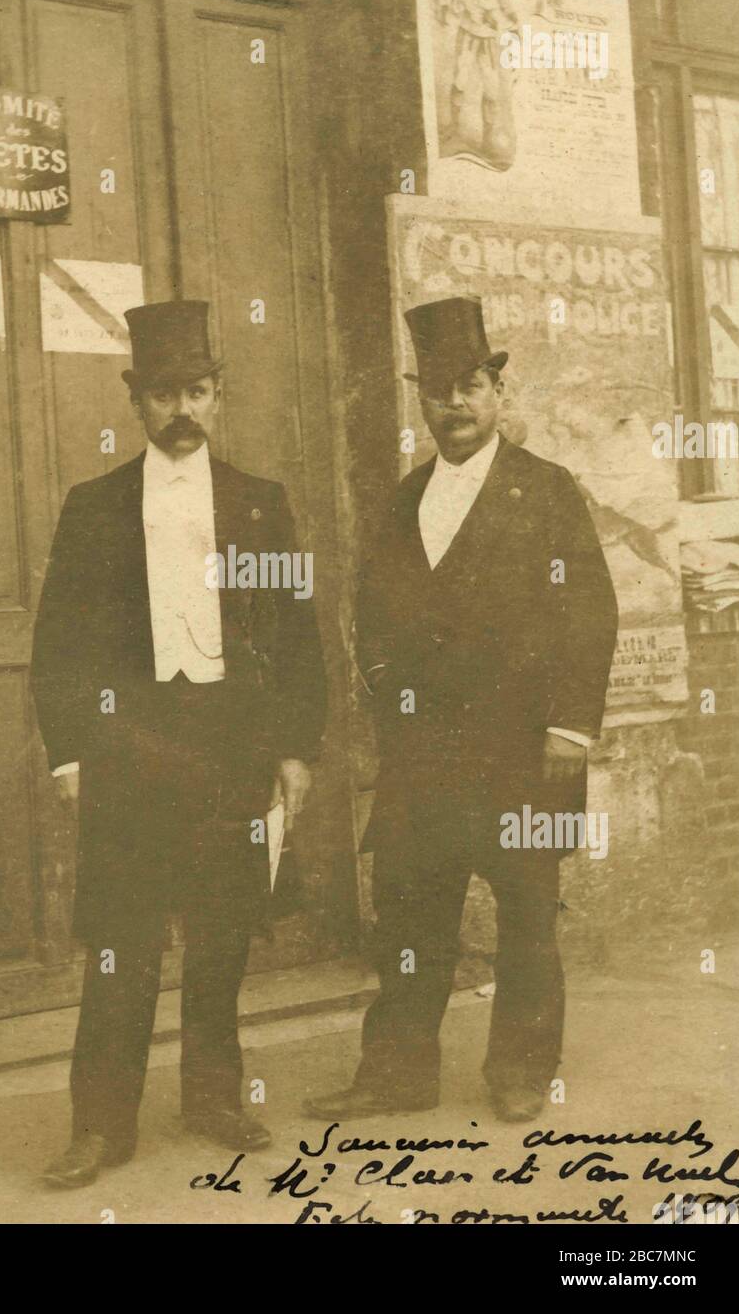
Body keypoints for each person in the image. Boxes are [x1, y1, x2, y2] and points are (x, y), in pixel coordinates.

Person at [31, 299, 326, 1187]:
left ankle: (213, 1095)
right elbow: (60, 645)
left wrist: (293, 746)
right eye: (164, 395)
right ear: (136, 403)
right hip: (130, 743)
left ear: (219, 396)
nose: (182, 411)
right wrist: (73, 753)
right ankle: (101, 1125)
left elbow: (296, 633)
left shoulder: (260, 506)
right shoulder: (94, 509)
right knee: (122, 939)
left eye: (197, 391)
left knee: (223, 931)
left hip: (230, 744)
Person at [306, 295, 618, 1125]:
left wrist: (570, 727)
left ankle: (520, 1071)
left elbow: (590, 610)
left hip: (527, 751)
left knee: (527, 919)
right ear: (421, 398)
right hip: (425, 757)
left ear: (497, 394)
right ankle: (396, 1074)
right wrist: (383, 685)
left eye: (472, 386)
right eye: (440, 389)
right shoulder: (405, 498)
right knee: (410, 919)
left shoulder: (548, 490)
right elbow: (370, 608)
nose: (457, 404)